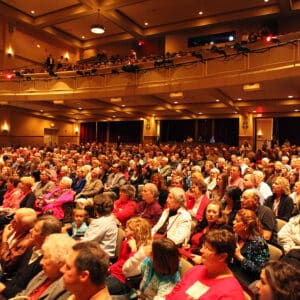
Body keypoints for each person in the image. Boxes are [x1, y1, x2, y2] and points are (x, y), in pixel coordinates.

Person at [166, 229, 245, 299]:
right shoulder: (196, 269)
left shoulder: (232, 293)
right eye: (203, 246)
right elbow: (174, 293)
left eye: (207, 248)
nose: (201, 251)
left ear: (222, 257)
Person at [0, 215, 62, 299]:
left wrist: (2, 288)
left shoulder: (48, 261)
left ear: (46, 236)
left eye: (35, 230)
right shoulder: (31, 247)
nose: (30, 230)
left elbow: (26, 291)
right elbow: (14, 273)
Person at [14, 233, 75, 300]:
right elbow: (23, 294)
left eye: (45, 258)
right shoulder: (43, 274)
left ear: (60, 262)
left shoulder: (66, 287)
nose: (41, 262)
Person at [106, 217, 152, 295]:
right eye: (127, 227)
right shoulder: (126, 242)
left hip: (125, 280)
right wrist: (111, 268)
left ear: (138, 232)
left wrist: (133, 250)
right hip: (114, 273)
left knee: (97, 291)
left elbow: (132, 270)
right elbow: (120, 261)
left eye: (130, 229)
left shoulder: (144, 249)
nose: (126, 229)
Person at [231, 209, 270, 287]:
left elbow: (260, 270)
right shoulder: (236, 236)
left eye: (237, 221)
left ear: (246, 226)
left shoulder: (258, 243)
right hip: (233, 272)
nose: (233, 222)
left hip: (246, 279)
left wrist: (240, 257)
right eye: (234, 219)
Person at [0, 208, 37, 279]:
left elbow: (7, 264)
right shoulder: (12, 228)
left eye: (15, 221)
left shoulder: (28, 241)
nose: (11, 222)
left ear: (24, 226)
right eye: (13, 218)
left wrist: (4, 239)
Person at [81, 192, 118, 258]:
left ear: (96, 209)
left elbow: (86, 242)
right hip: (103, 253)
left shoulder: (99, 222)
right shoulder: (111, 218)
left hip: (100, 257)